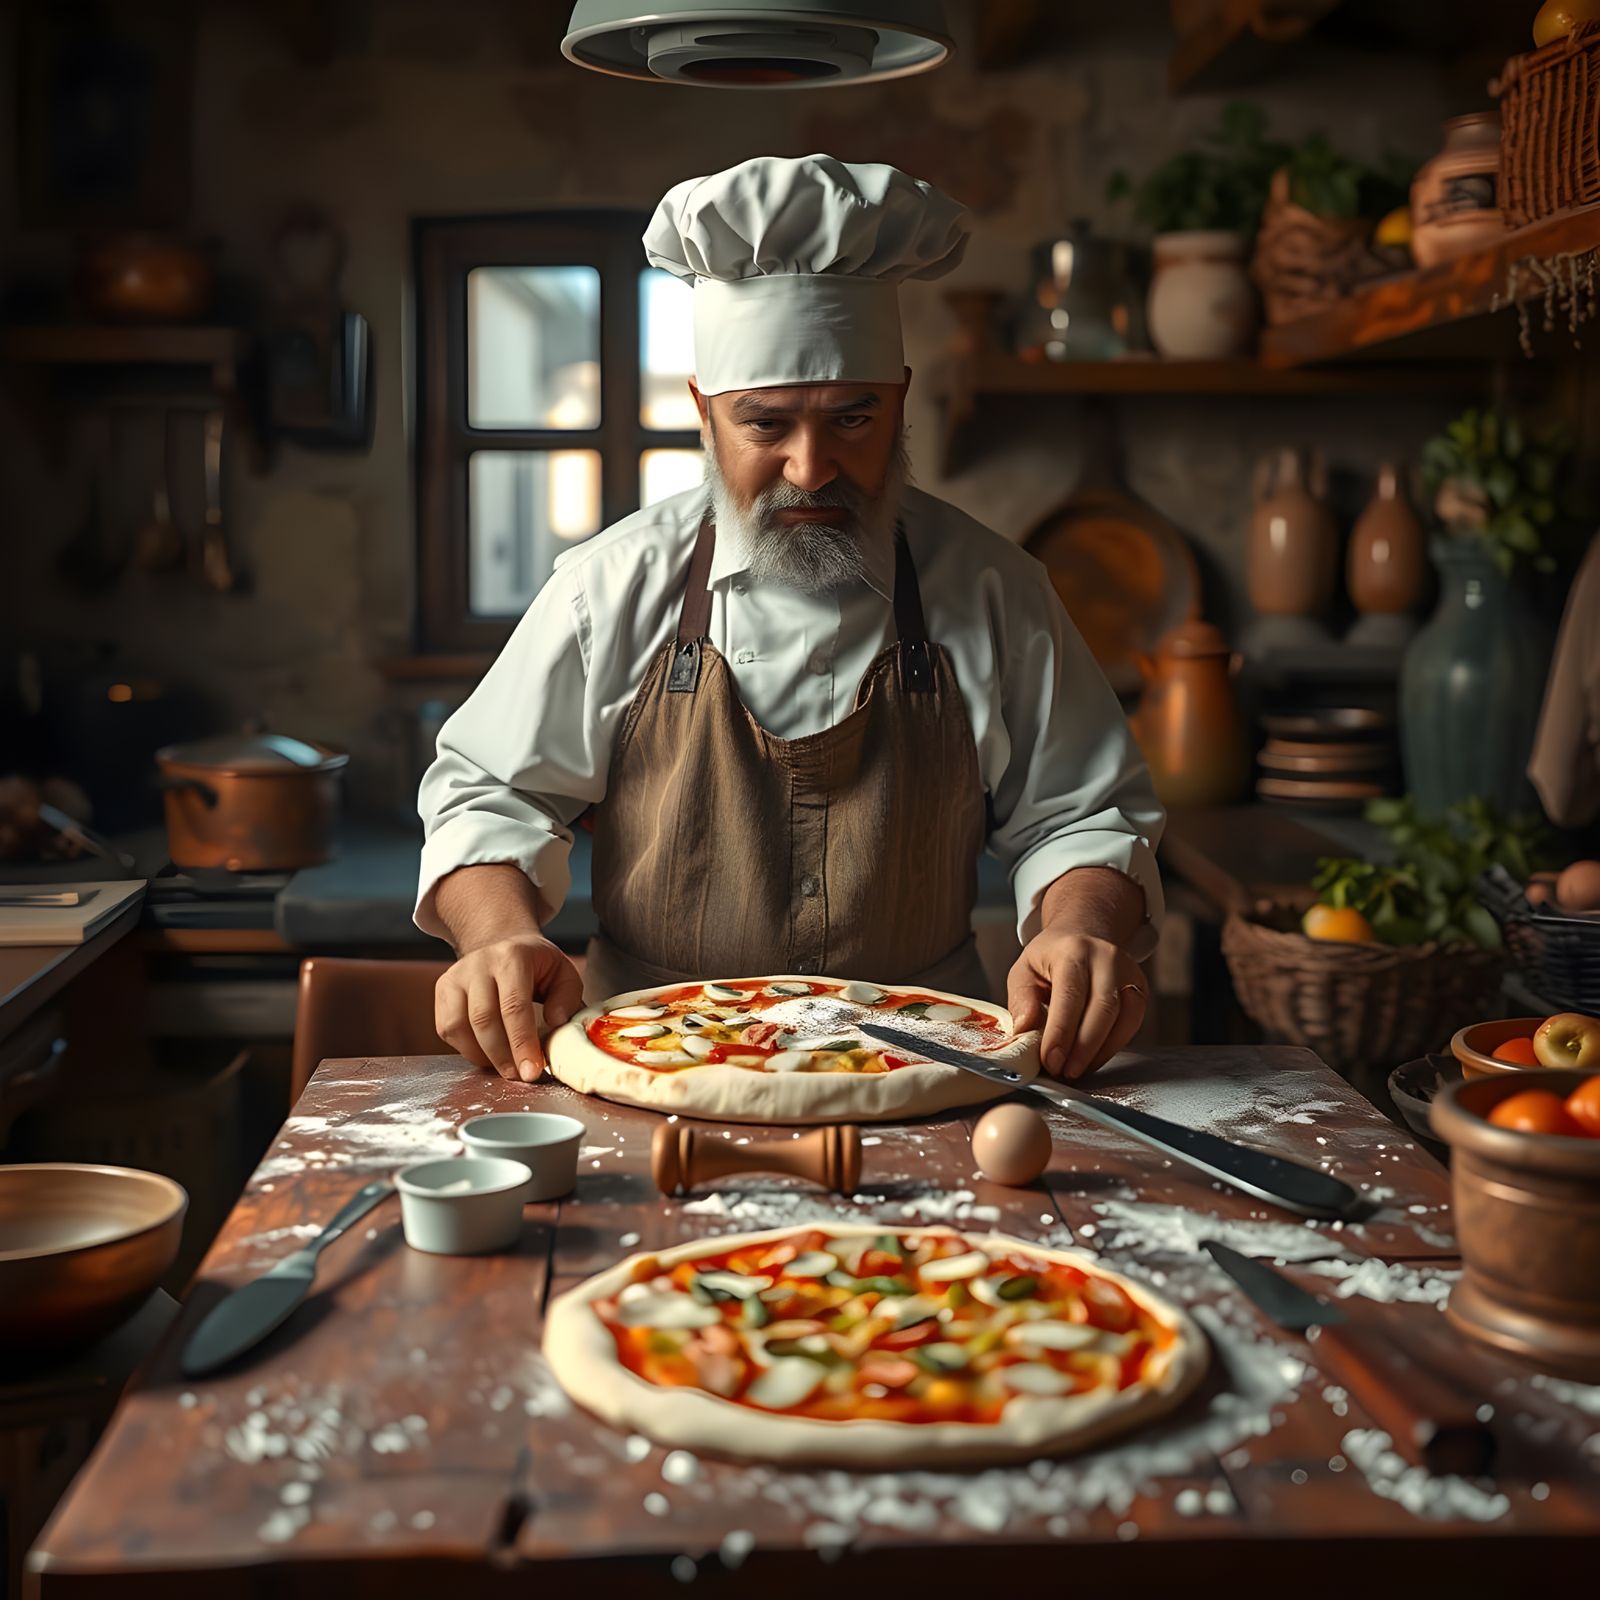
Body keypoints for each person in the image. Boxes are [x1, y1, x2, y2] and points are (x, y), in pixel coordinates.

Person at [416, 154, 1164, 1086]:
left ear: (898, 401)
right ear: (704, 413)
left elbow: (1082, 815)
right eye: (767, 425)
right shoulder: (608, 588)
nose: (812, 468)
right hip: (651, 1060)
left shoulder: (993, 589)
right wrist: (495, 935)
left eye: (853, 420)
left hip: (927, 1065)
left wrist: (1081, 929)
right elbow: (490, 792)